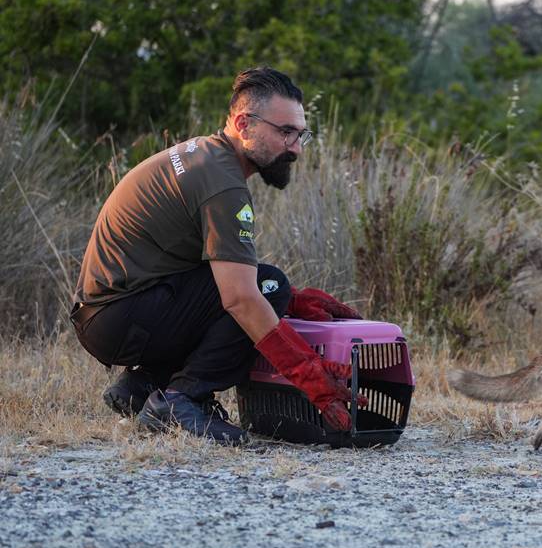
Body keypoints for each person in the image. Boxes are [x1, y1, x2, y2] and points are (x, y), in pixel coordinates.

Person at [70, 66, 364, 446]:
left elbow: (206, 280)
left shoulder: (207, 156)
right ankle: (180, 400)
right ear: (244, 123)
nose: (295, 148)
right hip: (119, 316)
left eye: (301, 133)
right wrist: (311, 377)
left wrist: (293, 301)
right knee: (265, 286)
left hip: (111, 312)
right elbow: (240, 298)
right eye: (285, 132)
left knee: (267, 287)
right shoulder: (223, 184)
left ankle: (142, 386)